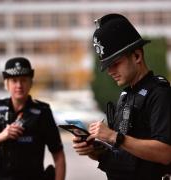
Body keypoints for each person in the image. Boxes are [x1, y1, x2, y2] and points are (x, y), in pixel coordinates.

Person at [73, 14, 171, 180]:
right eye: (107, 66)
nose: (110, 71)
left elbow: (165, 153)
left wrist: (113, 136)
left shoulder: (160, 94)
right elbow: (123, 154)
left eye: (115, 63)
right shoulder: (125, 96)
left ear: (137, 56)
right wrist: (94, 151)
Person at [0, 57, 66, 180]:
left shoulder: (42, 112)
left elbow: (58, 155)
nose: (19, 85)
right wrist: (2, 136)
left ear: (30, 82)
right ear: (7, 84)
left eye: (23, 80)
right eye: (14, 80)